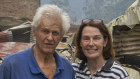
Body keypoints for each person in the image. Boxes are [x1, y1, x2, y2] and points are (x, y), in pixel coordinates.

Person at [0, 4, 75, 79]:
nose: (50, 38)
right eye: (45, 31)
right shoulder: (11, 66)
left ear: (61, 36)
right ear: (34, 31)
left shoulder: (67, 68)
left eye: (55, 33)